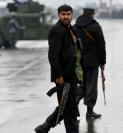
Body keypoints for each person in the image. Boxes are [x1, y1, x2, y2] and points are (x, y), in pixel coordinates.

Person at [34, 4, 83, 133]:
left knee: (67, 106)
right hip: (64, 76)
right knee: (70, 108)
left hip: (72, 74)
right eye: (63, 14)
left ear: (72, 15)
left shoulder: (70, 29)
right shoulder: (57, 30)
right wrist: (58, 75)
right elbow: (53, 55)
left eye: (68, 14)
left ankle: (44, 127)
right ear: (59, 15)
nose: (66, 17)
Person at [74, 8, 106, 119]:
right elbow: (101, 46)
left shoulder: (75, 26)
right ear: (93, 14)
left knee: (82, 84)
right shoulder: (95, 26)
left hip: (79, 61)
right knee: (91, 86)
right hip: (92, 61)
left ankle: (74, 106)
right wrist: (102, 62)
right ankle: (89, 111)